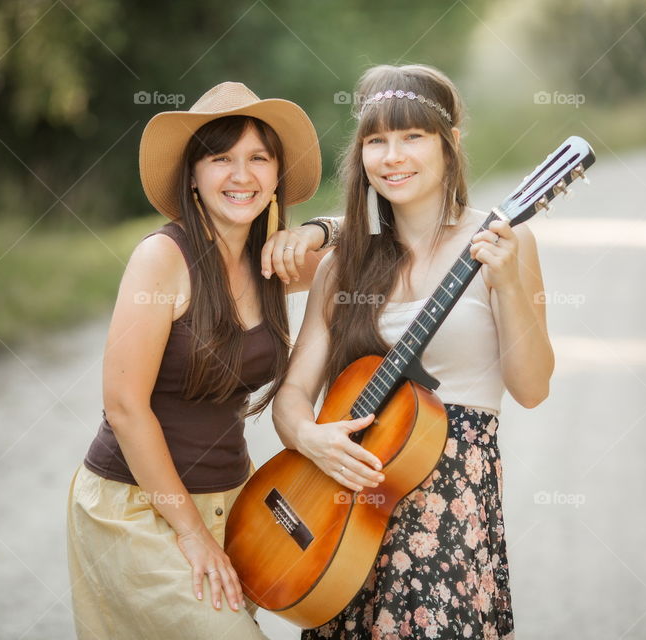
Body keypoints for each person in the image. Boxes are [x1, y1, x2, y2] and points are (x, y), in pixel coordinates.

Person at [272, 64, 555, 639]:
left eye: (412, 137)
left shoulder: (506, 243)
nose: (392, 156)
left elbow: (532, 389)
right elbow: (294, 394)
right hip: (343, 516)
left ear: (449, 144)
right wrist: (309, 437)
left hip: (450, 513)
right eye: (376, 141)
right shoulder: (343, 264)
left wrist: (507, 286)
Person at [65, 81, 332, 639]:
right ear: (192, 174)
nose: (242, 175)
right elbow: (123, 405)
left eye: (259, 158)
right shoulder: (162, 258)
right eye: (221, 158)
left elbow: (377, 247)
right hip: (140, 507)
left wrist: (319, 228)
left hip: (233, 501)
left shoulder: (274, 263)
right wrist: (189, 532)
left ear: (277, 175)